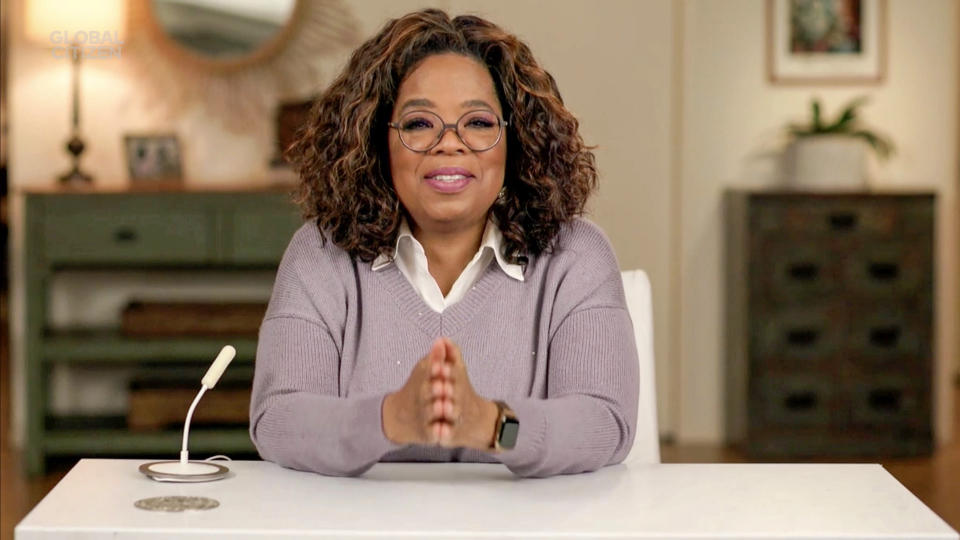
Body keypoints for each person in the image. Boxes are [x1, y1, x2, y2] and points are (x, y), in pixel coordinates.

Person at [249, 8, 639, 478]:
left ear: (516, 140)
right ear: (377, 140)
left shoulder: (576, 255)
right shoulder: (320, 254)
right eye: (418, 124)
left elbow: (604, 422)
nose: (449, 144)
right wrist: (392, 418)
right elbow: (278, 419)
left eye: (477, 122)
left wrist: (490, 426)